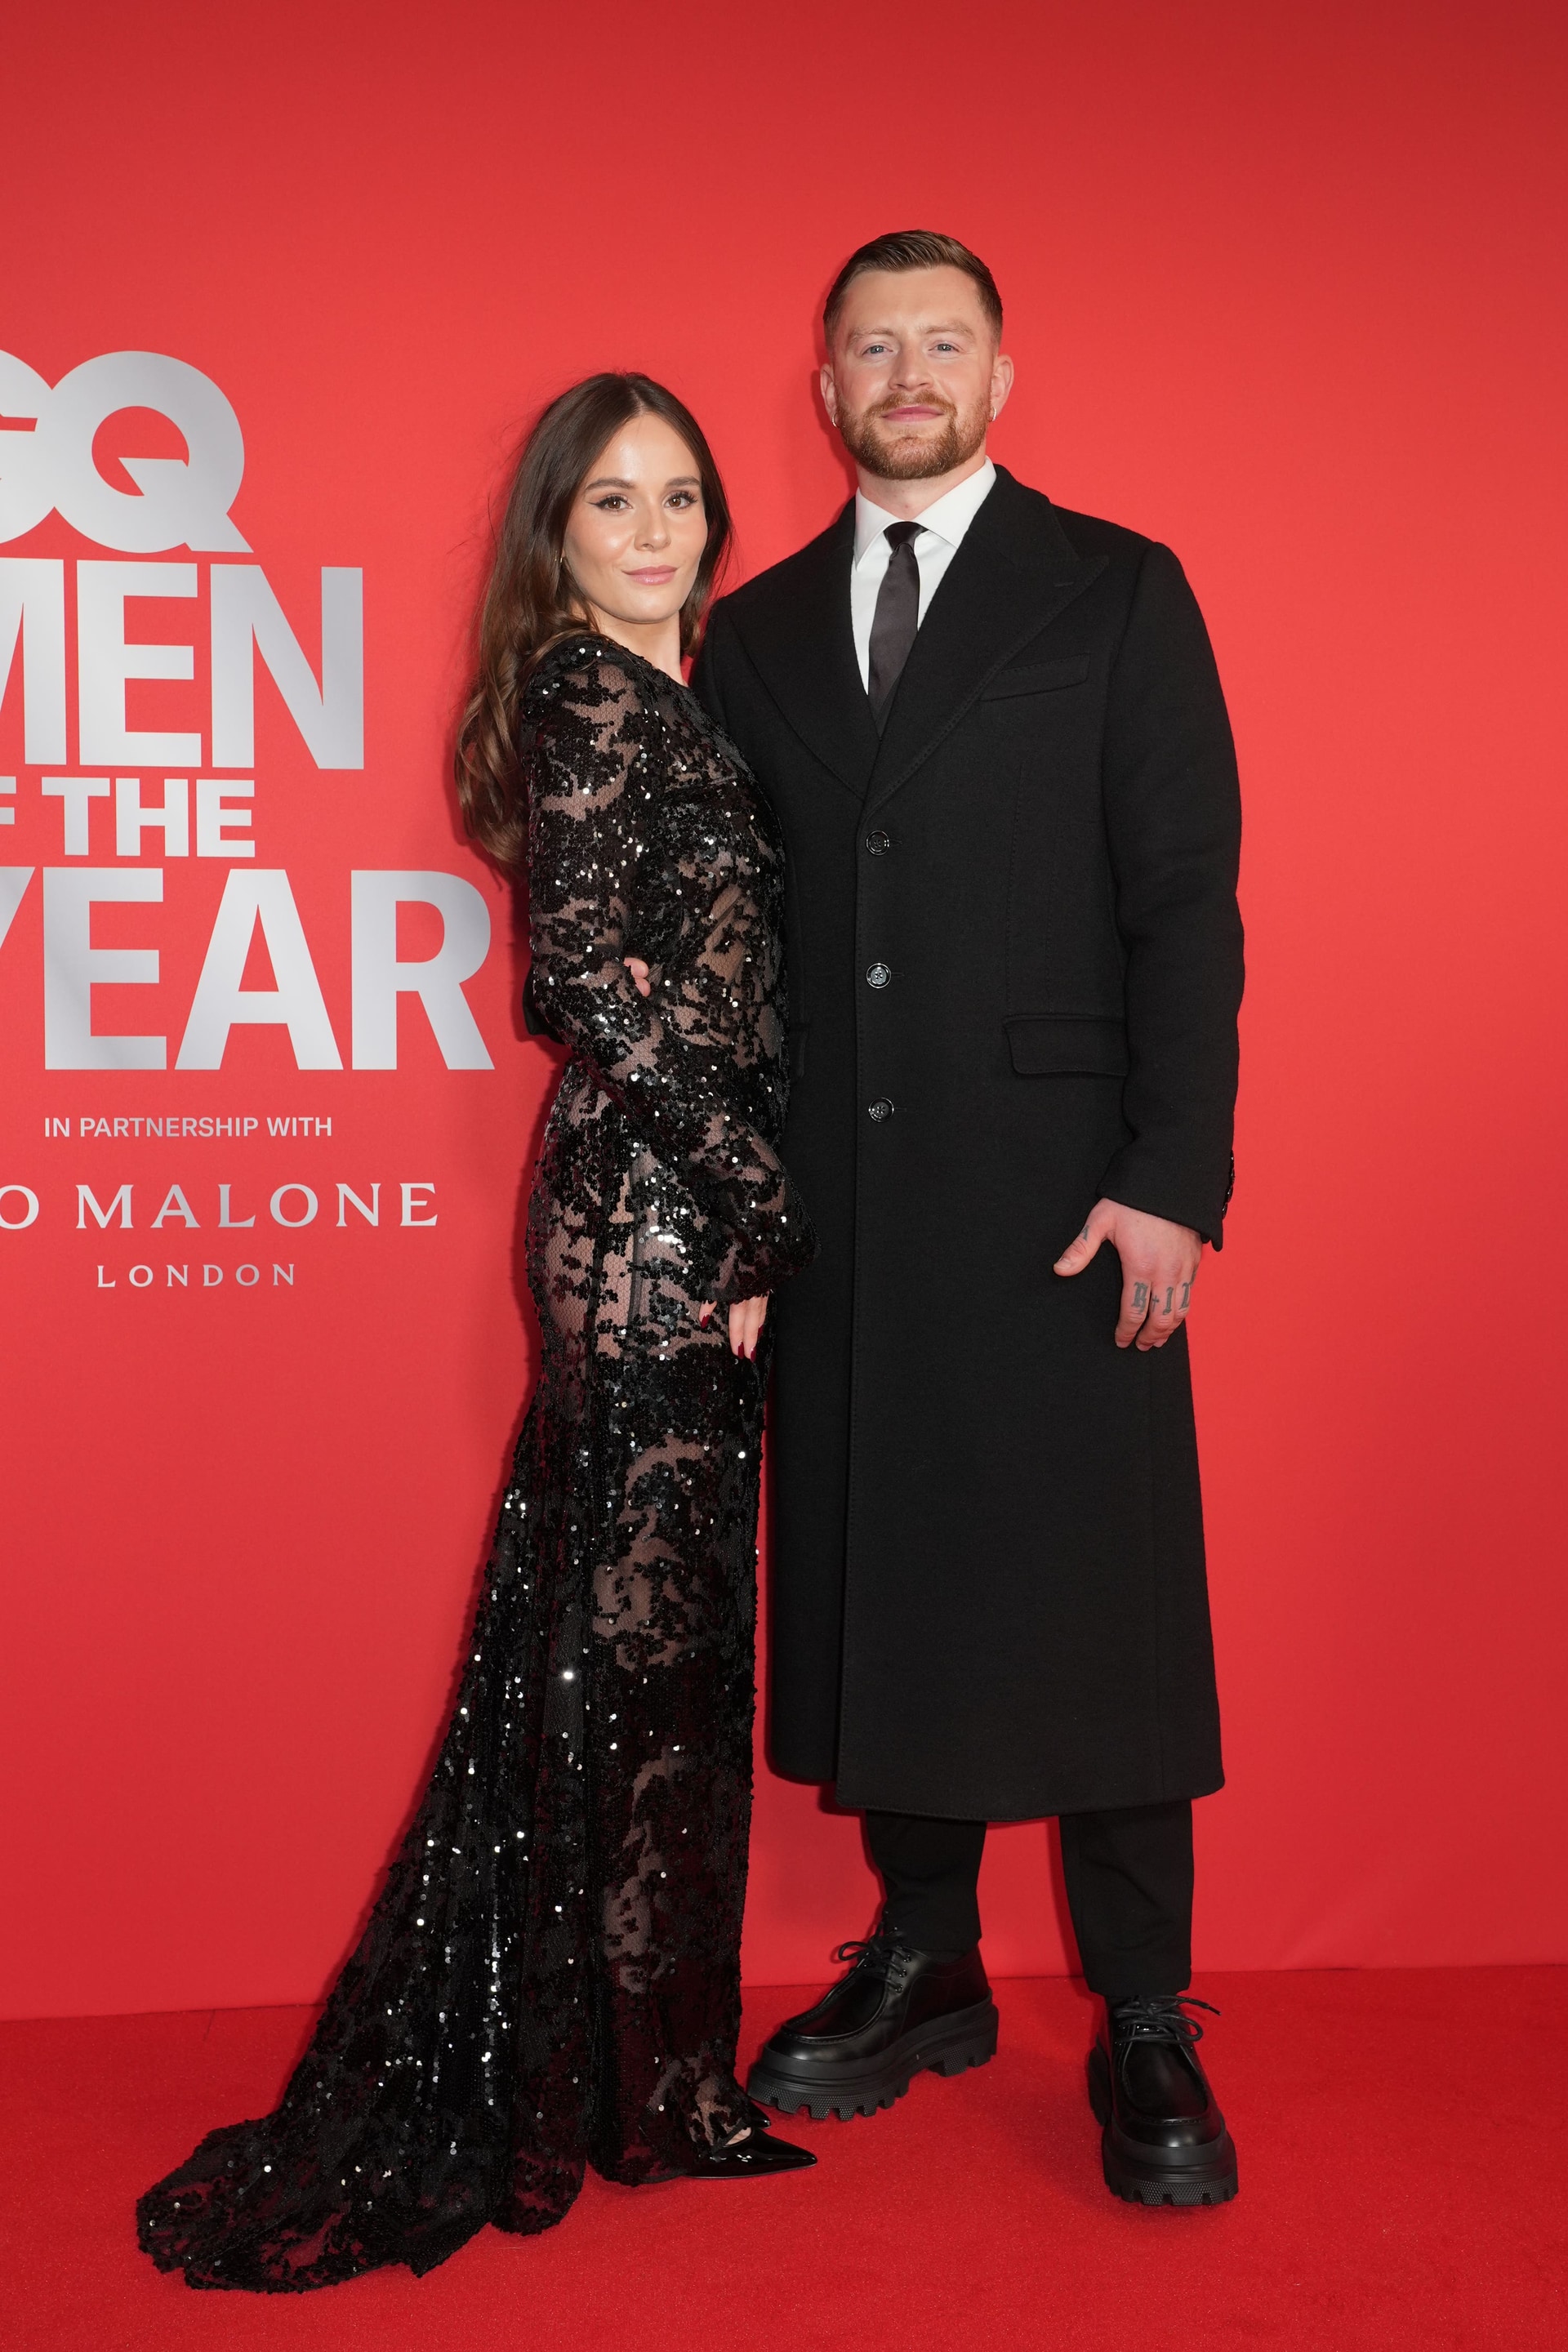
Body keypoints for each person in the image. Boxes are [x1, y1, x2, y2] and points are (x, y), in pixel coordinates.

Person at [137, 373, 818, 2293]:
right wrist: (763, 1203)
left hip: (672, 1200)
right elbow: (586, 976)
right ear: (558, 534)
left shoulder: (674, 695)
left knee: (636, 1653)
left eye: (682, 496)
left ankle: (629, 2076)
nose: (661, 529)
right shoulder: (589, 698)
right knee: (644, 1659)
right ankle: (640, 2091)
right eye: (616, 502)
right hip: (652, 1213)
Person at [692, 232, 1245, 2208]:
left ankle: (1152, 2012)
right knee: (890, 1575)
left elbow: (1187, 904)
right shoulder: (748, 634)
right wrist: (750, 1225)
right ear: (825, 386)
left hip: (1065, 1207)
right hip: (846, 1209)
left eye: (944, 343)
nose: (906, 372)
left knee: (1099, 1602)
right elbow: (740, 961)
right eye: (871, 346)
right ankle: (924, 1961)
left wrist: (1174, 1175)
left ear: (1002, 381)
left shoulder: (1118, 589)